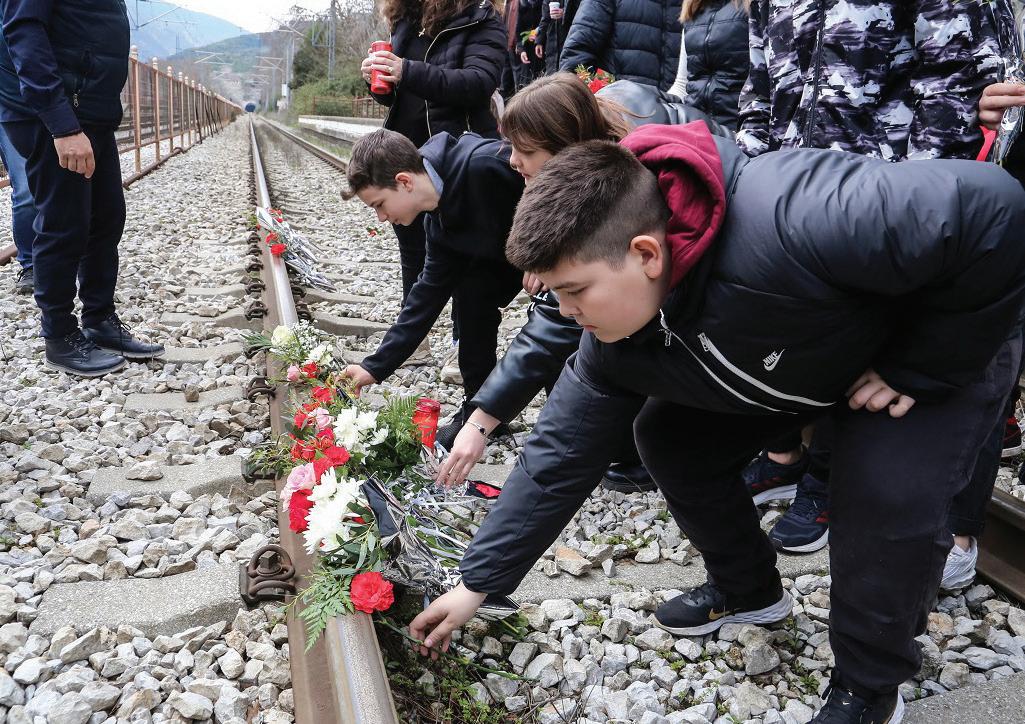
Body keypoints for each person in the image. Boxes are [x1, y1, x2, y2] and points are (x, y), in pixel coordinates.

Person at [410, 124, 1025, 722]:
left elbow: (993, 207)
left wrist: (920, 366)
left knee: (880, 493)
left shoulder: (796, 215)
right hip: (813, 356)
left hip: (933, 345)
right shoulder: (610, 339)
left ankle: (869, 684)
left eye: (575, 291)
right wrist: (477, 583)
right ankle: (748, 590)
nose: (567, 314)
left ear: (646, 254)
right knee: (670, 438)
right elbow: (559, 455)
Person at [735, 0, 1008, 569]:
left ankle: (828, 486)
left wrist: (912, 213)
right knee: (802, 337)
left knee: (870, 354)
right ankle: (796, 464)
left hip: (882, 206)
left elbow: (951, 90)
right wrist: (748, 187)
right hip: (793, 204)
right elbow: (760, 93)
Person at [433, 72, 657, 491]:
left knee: (585, 326)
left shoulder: (619, 187)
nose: (512, 161)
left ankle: (642, 448)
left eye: (526, 151)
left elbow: (553, 326)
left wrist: (480, 422)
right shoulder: (593, 163)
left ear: (565, 149)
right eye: (511, 146)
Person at [0, 0, 164, 376]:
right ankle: (59, 336)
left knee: (106, 218)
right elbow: (24, 31)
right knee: (64, 223)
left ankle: (99, 320)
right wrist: (61, 123)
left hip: (90, 109)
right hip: (56, 114)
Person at [339, 129, 524, 432]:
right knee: (471, 297)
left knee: (555, 329)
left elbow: (553, 188)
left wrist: (544, 256)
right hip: (505, 257)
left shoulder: (485, 164)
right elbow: (425, 298)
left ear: (404, 181)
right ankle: (479, 410)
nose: (381, 218)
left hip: (562, 250)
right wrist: (374, 366)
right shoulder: (438, 227)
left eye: (379, 204)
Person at [359, 0, 507, 380]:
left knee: (466, 259)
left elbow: (479, 82)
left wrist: (406, 70)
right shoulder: (405, 20)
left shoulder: (480, 17)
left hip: (460, 151)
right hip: (407, 148)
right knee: (414, 252)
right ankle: (415, 340)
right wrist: (380, 81)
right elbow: (402, 93)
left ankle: (462, 343)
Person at [558, 0, 683, 91]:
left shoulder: (692, 5)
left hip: (680, 116)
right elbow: (575, 64)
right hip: (617, 115)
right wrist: (615, 94)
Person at [666, 0, 748, 130]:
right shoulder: (693, 8)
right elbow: (681, 85)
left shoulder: (755, 6)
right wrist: (656, 105)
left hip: (737, 130)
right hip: (694, 127)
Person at [0, 122, 36, 295]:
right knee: (25, 189)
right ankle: (31, 265)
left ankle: (73, 257)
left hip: (64, 108)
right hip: (10, 111)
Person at [535, 0, 581, 75]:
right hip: (552, 43)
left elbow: (582, 13)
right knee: (552, 72)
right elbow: (545, 18)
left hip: (570, 38)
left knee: (568, 72)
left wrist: (564, 13)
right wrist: (539, 41)